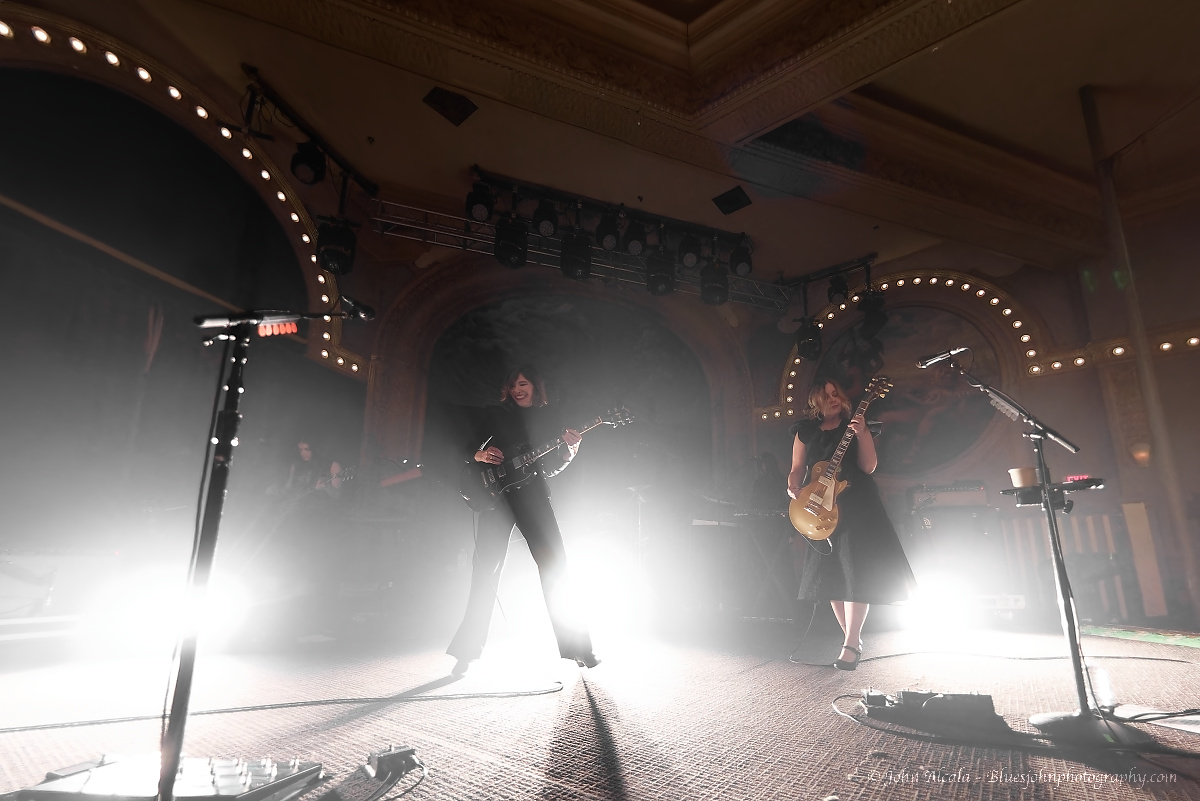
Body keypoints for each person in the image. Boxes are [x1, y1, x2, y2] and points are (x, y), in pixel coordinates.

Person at [447, 366, 597, 676]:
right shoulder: (495, 414)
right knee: (485, 568)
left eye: (524, 383)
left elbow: (553, 467)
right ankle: (466, 650)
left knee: (556, 565)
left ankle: (578, 647)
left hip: (532, 498)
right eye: (513, 384)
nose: (518, 388)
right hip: (498, 499)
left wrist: (570, 449)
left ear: (535, 387)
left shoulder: (550, 418)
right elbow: (468, 446)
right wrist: (481, 455)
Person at [787, 379, 915, 670]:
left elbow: (868, 466)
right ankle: (852, 640)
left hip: (857, 504)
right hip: (820, 506)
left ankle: (851, 642)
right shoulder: (805, 431)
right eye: (826, 394)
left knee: (856, 571)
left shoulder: (856, 424)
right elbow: (796, 469)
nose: (833, 398)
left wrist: (864, 433)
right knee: (831, 573)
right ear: (815, 401)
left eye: (836, 393)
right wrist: (793, 486)